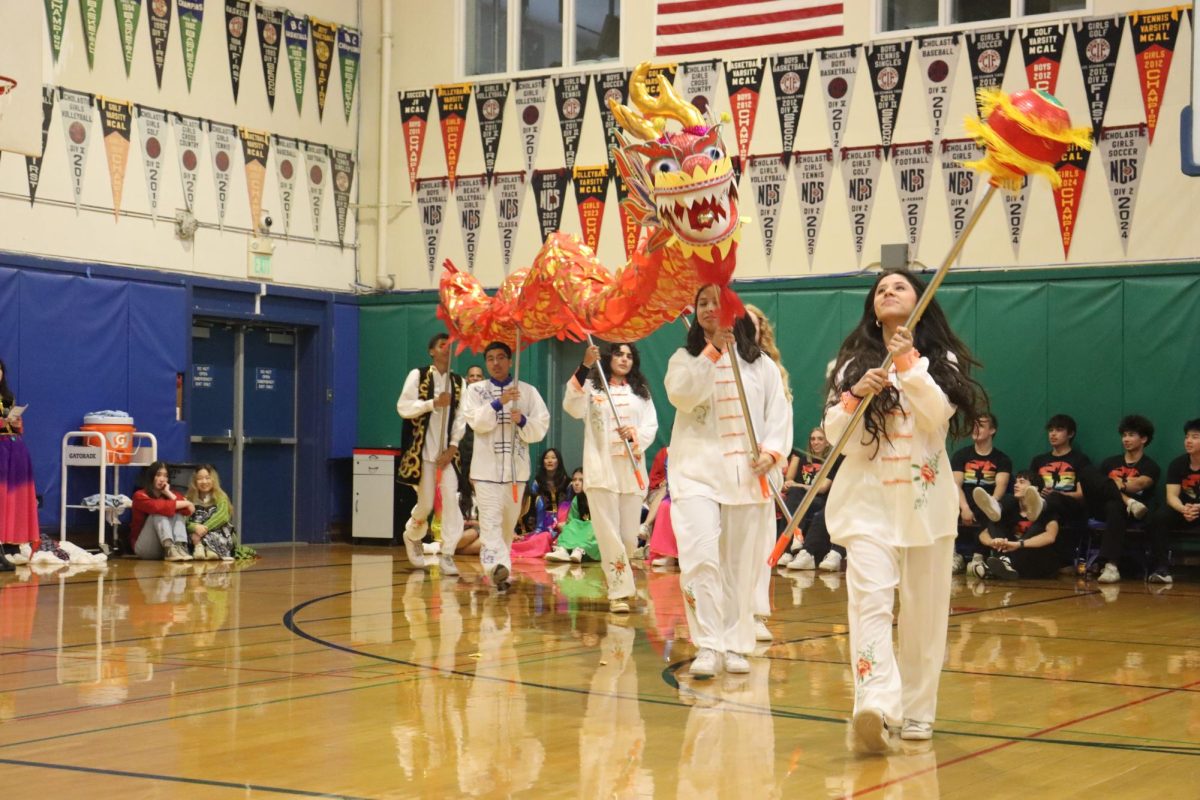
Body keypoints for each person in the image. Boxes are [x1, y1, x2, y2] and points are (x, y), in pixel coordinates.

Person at [822, 268, 987, 751]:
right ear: (872, 308)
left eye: (899, 286)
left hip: (924, 506)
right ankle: (873, 703)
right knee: (869, 603)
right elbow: (835, 438)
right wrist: (855, 396)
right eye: (880, 289)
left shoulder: (941, 360)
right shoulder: (849, 364)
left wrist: (908, 361)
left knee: (924, 614)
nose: (887, 292)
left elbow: (937, 414)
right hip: (867, 504)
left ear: (920, 301)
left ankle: (916, 711)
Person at [664, 284, 792, 680]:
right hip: (695, 475)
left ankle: (736, 644)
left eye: (717, 303)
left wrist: (771, 453)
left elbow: (779, 414)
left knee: (741, 566)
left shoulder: (761, 366)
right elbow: (682, 396)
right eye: (702, 303)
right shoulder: (684, 358)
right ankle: (708, 644)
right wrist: (713, 353)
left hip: (744, 479)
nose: (708, 309)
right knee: (701, 558)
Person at [563, 341, 658, 613]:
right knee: (608, 534)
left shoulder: (641, 393)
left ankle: (618, 577)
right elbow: (572, 405)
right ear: (608, 357)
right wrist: (584, 366)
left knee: (628, 537)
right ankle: (619, 592)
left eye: (629, 356)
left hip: (630, 470)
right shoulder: (593, 388)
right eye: (619, 353)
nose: (624, 359)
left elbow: (651, 425)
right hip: (601, 469)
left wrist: (635, 434)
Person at [460, 340, 550, 591]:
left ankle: (502, 568)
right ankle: (495, 568)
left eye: (501, 357)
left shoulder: (527, 392)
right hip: (485, 471)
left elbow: (540, 428)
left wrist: (522, 420)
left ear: (510, 361)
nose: (496, 363)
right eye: (490, 358)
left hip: (515, 472)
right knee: (490, 523)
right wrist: (499, 402)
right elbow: (477, 422)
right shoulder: (475, 391)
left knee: (507, 526)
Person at [396, 333, 468, 574]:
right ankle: (412, 534)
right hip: (422, 454)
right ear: (431, 351)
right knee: (426, 504)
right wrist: (432, 404)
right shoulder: (419, 375)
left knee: (451, 500)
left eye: (450, 346)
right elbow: (403, 407)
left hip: (447, 455)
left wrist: (453, 447)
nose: (446, 349)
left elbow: (461, 419)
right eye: (441, 345)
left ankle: (447, 553)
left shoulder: (458, 382)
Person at [1089, 415, 1160, 583]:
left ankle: (1111, 566)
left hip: (1134, 513)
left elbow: (1141, 484)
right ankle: (1129, 501)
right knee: (1088, 472)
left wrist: (1117, 484)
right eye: (1124, 435)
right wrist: (1119, 488)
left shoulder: (1150, 466)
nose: (1126, 439)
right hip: (1102, 508)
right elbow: (1098, 487)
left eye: (1131, 435)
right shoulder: (1109, 462)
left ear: (1143, 439)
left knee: (1115, 505)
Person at [974, 471, 1070, 579]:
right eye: (1016, 482)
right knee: (995, 522)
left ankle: (992, 570)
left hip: (1038, 562)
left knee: (1037, 526)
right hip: (1012, 556)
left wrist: (1019, 544)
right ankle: (1004, 563)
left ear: (1035, 488)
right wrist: (993, 542)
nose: (1016, 485)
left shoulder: (1047, 509)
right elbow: (984, 533)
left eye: (1021, 482)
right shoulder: (1010, 505)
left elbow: (1050, 536)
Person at [951, 413, 1012, 574]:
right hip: (964, 499)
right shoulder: (961, 455)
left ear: (992, 430)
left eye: (981, 425)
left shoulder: (1002, 459)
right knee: (945, 504)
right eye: (974, 425)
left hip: (986, 500)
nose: (975, 428)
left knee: (994, 511)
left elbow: (1001, 485)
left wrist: (992, 502)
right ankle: (953, 555)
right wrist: (964, 507)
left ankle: (979, 557)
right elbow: (955, 484)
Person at [781, 428, 845, 572]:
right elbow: (790, 480)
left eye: (820, 439)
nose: (815, 442)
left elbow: (822, 488)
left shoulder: (832, 460)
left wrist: (797, 485)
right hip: (804, 501)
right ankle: (795, 542)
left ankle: (798, 546)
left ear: (827, 443)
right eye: (813, 439)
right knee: (794, 494)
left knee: (797, 491)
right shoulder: (804, 458)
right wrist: (791, 485)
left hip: (820, 501)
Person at [1145, 418, 1200, 584]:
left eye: (1195, 437)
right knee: (1160, 517)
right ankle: (1161, 569)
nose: (1188, 441)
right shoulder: (1178, 464)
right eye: (1186, 437)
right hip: (1183, 510)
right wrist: (1183, 509)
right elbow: (1171, 496)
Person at [0, 359, 39, 570]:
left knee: (17, 497)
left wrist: (16, 423)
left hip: (14, 448)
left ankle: (14, 541)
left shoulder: (8, 397)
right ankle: (2, 542)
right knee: (2, 498)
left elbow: (18, 429)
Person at [131, 461, 195, 561]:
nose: (162, 479)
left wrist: (169, 493)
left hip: (164, 549)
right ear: (151, 477)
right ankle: (169, 547)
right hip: (145, 547)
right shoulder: (139, 495)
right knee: (159, 512)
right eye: (158, 475)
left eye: (165, 476)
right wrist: (187, 503)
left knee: (178, 512)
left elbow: (187, 511)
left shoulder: (170, 493)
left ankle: (179, 546)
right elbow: (157, 507)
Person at [513, 448, 569, 559]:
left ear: (559, 461)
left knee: (551, 536)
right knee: (541, 536)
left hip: (563, 519)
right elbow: (532, 505)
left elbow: (570, 504)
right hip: (544, 521)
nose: (549, 460)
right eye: (546, 458)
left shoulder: (568, 482)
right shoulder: (537, 482)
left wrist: (563, 521)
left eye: (553, 458)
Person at [185, 465, 236, 562]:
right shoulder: (189, 498)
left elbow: (223, 517)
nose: (204, 482)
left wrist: (203, 529)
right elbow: (184, 520)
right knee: (187, 535)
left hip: (216, 532)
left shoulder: (220, 496)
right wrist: (195, 527)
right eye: (200, 479)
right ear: (194, 481)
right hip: (195, 535)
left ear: (213, 480)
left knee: (217, 532)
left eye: (207, 478)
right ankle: (199, 548)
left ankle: (211, 550)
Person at [550, 468, 600, 563]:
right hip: (580, 533)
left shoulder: (598, 498)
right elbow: (572, 523)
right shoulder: (576, 499)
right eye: (574, 480)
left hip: (594, 535)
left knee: (593, 526)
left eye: (581, 480)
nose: (576, 483)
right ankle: (563, 550)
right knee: (570, 525)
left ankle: (579, 550)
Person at [458, 364, 486, 519]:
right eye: (472, 376)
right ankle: (465, 516)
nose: (475, 378)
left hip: (484, 447)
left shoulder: (488, 397)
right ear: (466, 378)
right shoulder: (461, 398)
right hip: (465, 447)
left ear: (484, 379)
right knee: (465, 483)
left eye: (479, 376)